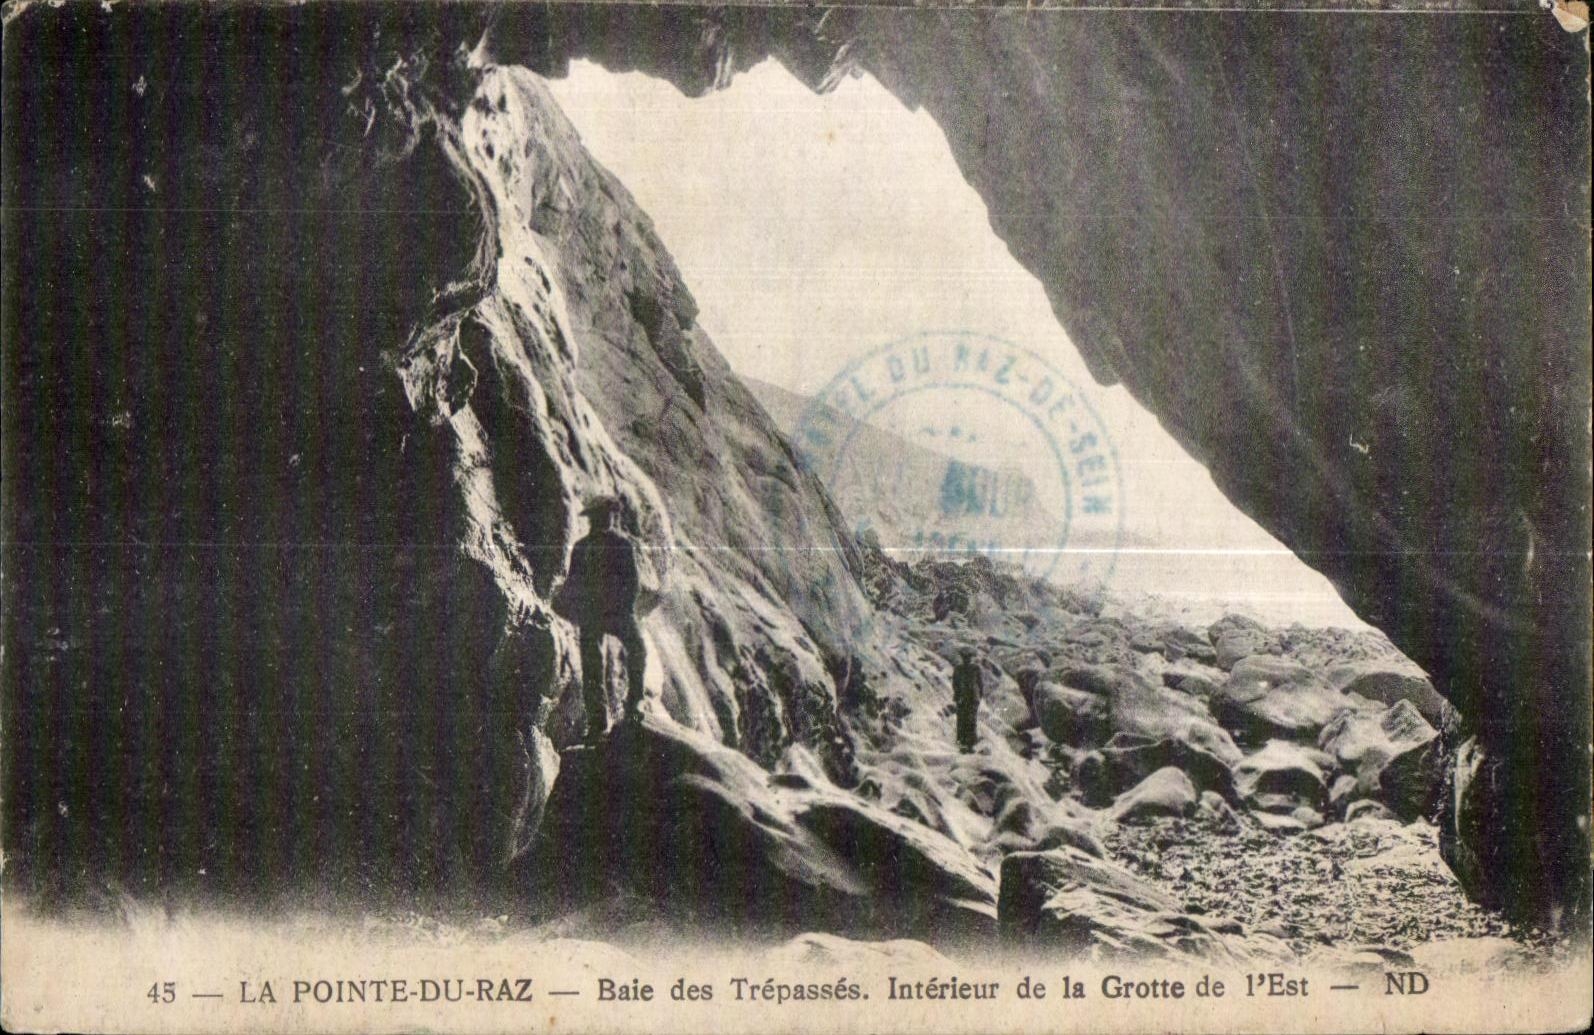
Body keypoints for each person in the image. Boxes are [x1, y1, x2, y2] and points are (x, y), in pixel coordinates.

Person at [559, 496, 647, 740]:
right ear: (593, 518)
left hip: (616, 612)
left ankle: (634, 703)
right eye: (602, 514)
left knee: (636, 650)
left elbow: (633, 583)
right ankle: (598, 722)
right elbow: (573, 582)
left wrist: (625, 608)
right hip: (594, 613)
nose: (607, 519)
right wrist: (577, 609)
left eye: (609, 514)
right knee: (593, 666)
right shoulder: (582, 547)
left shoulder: (621, 544)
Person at [952, 647, 983, 752]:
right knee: (963, 720)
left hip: (972, 698)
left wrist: (978, 696)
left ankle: (970, 744)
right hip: (963, 698)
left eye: (968, 657)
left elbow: (980, 684)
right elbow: (955, 684)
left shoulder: (975, 668)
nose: (966, 659)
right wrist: (957, 695)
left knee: (970, 720)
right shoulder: (958, 669)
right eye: (965, 657)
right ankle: (963, 743)